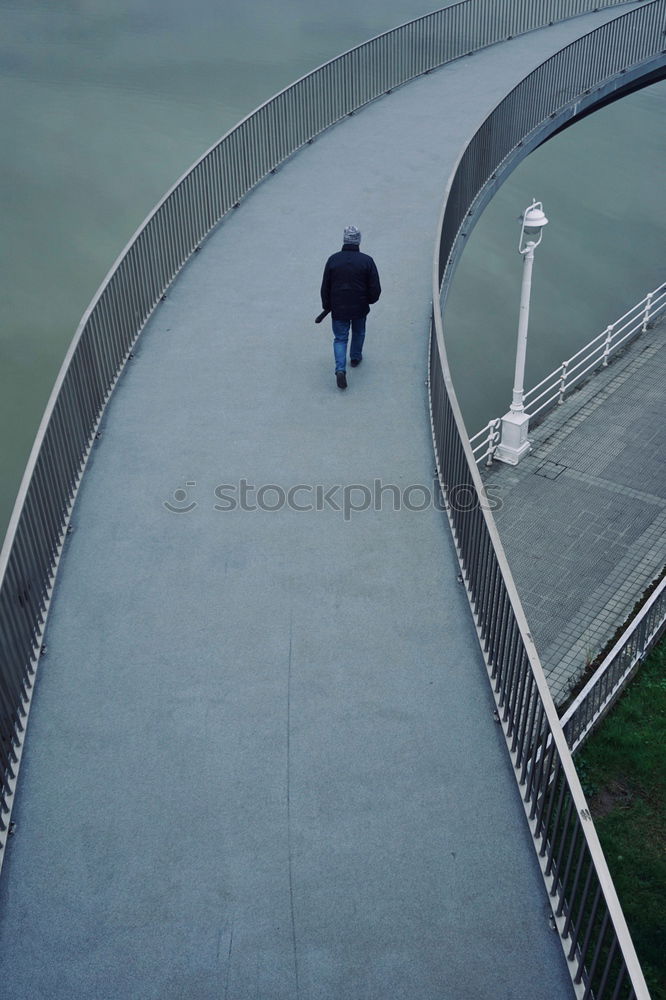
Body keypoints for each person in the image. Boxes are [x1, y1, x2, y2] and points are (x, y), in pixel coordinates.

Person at [320, 225, 381, 389]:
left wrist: (327, 304)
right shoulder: (367, 261)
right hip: (359, 305)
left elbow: (325, 285)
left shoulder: (333, 259)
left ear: (344, 240)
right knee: (359, 331)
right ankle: (355, 357)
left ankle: (340, 369)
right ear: (358, 241)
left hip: (338, 307)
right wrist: (370, 300)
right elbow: (375, 287)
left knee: (340, 338)